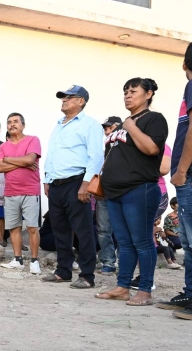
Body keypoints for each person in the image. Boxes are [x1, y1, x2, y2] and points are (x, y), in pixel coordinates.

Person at [94, 77, 167, 306]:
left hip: (139, 190)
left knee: (142, 241)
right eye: (125, 91)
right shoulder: (124, 124)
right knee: (124, 243)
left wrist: (131, 126)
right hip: (114, 193)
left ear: (148, 94)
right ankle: (122, 287)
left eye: (133, 91)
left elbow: (151, 148)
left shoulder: (153, 119)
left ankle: (144, 290)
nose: (127, 95)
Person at [42, 85, 104, 288]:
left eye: (70, 97)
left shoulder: (89, 124)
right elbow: (53, 154)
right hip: (56, 184)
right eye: (63, 97)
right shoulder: (59, 125)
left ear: (81, 101)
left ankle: (87, 276)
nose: (64, 100)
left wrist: (86, 184)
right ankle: (63, 271)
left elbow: (95, 156)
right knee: (60, 229)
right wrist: (47, 179)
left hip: (77, 182)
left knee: (83, 230)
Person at [159, 42, 192, 318]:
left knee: (191, 240)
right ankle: (189, 293)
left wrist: (181, 170)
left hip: (190, 173)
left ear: (185, 65)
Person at [0, 113, 42, 274]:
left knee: (32, 227)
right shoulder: (4, 146)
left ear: (23, 125)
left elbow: (30, 160)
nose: (12, 124)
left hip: (30, 191)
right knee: (14, 227)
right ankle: (18, 260)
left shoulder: (32, 140)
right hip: (10, 191)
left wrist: (8, 160)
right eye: (9, 122)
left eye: (16, 121)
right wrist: (20, 162)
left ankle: (35, 261)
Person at [96, 116, 122, 274]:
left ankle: (124, 262)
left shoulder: (125, 144)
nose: (106, 131)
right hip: (104, 192)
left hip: (121, 192)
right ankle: (108, 262)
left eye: (109, 127)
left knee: (122, 230)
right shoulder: (105, 146)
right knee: (103, 229)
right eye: (105, 129)